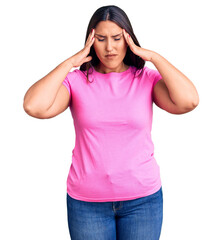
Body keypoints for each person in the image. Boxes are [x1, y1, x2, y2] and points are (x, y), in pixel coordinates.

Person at [23, 5, 199, 240]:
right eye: (101, 39)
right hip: (87, 204)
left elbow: (189, 101)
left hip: (142, 202)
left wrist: (154, 57)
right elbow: (34, 106)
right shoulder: (76, 81)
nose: (110, 47)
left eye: (117, 38)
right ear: (91, 41)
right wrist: (70, 63)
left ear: (128, 39)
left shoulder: (145, 79)